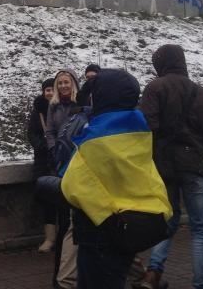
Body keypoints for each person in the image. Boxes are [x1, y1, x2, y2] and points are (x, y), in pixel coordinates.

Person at [37, 69, 172, 289]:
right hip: (134, 225)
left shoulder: (93, 136)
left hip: (101, 231)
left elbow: (73, 186)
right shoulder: (140, 127)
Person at [138, 44, 203, 289]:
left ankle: (153, 272)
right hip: (194, 164)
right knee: (200, 229)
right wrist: (201, 151)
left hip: (164, 166)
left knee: (168, 221)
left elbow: (147, 127)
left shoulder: (156, 87)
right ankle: (201, 284)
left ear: (161, 63)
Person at [42, 69, 81, 257]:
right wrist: (53, 148)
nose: (63, 86)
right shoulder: (54, 105)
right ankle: (65, 250)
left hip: (81, 158)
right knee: (64, 206)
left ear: (73, 83)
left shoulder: (81, 102)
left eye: (66, 82)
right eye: (60, 83)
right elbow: (49, 131)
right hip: (61, 160)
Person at [28, 78, 56, 178]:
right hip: (42, 156)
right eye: (48, 90)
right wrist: (42, 145)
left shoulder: (62, 108)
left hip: (60, 153)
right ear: (43, 92)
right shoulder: (38, 110)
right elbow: (32, 132)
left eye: (53, 90)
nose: (51, 93)